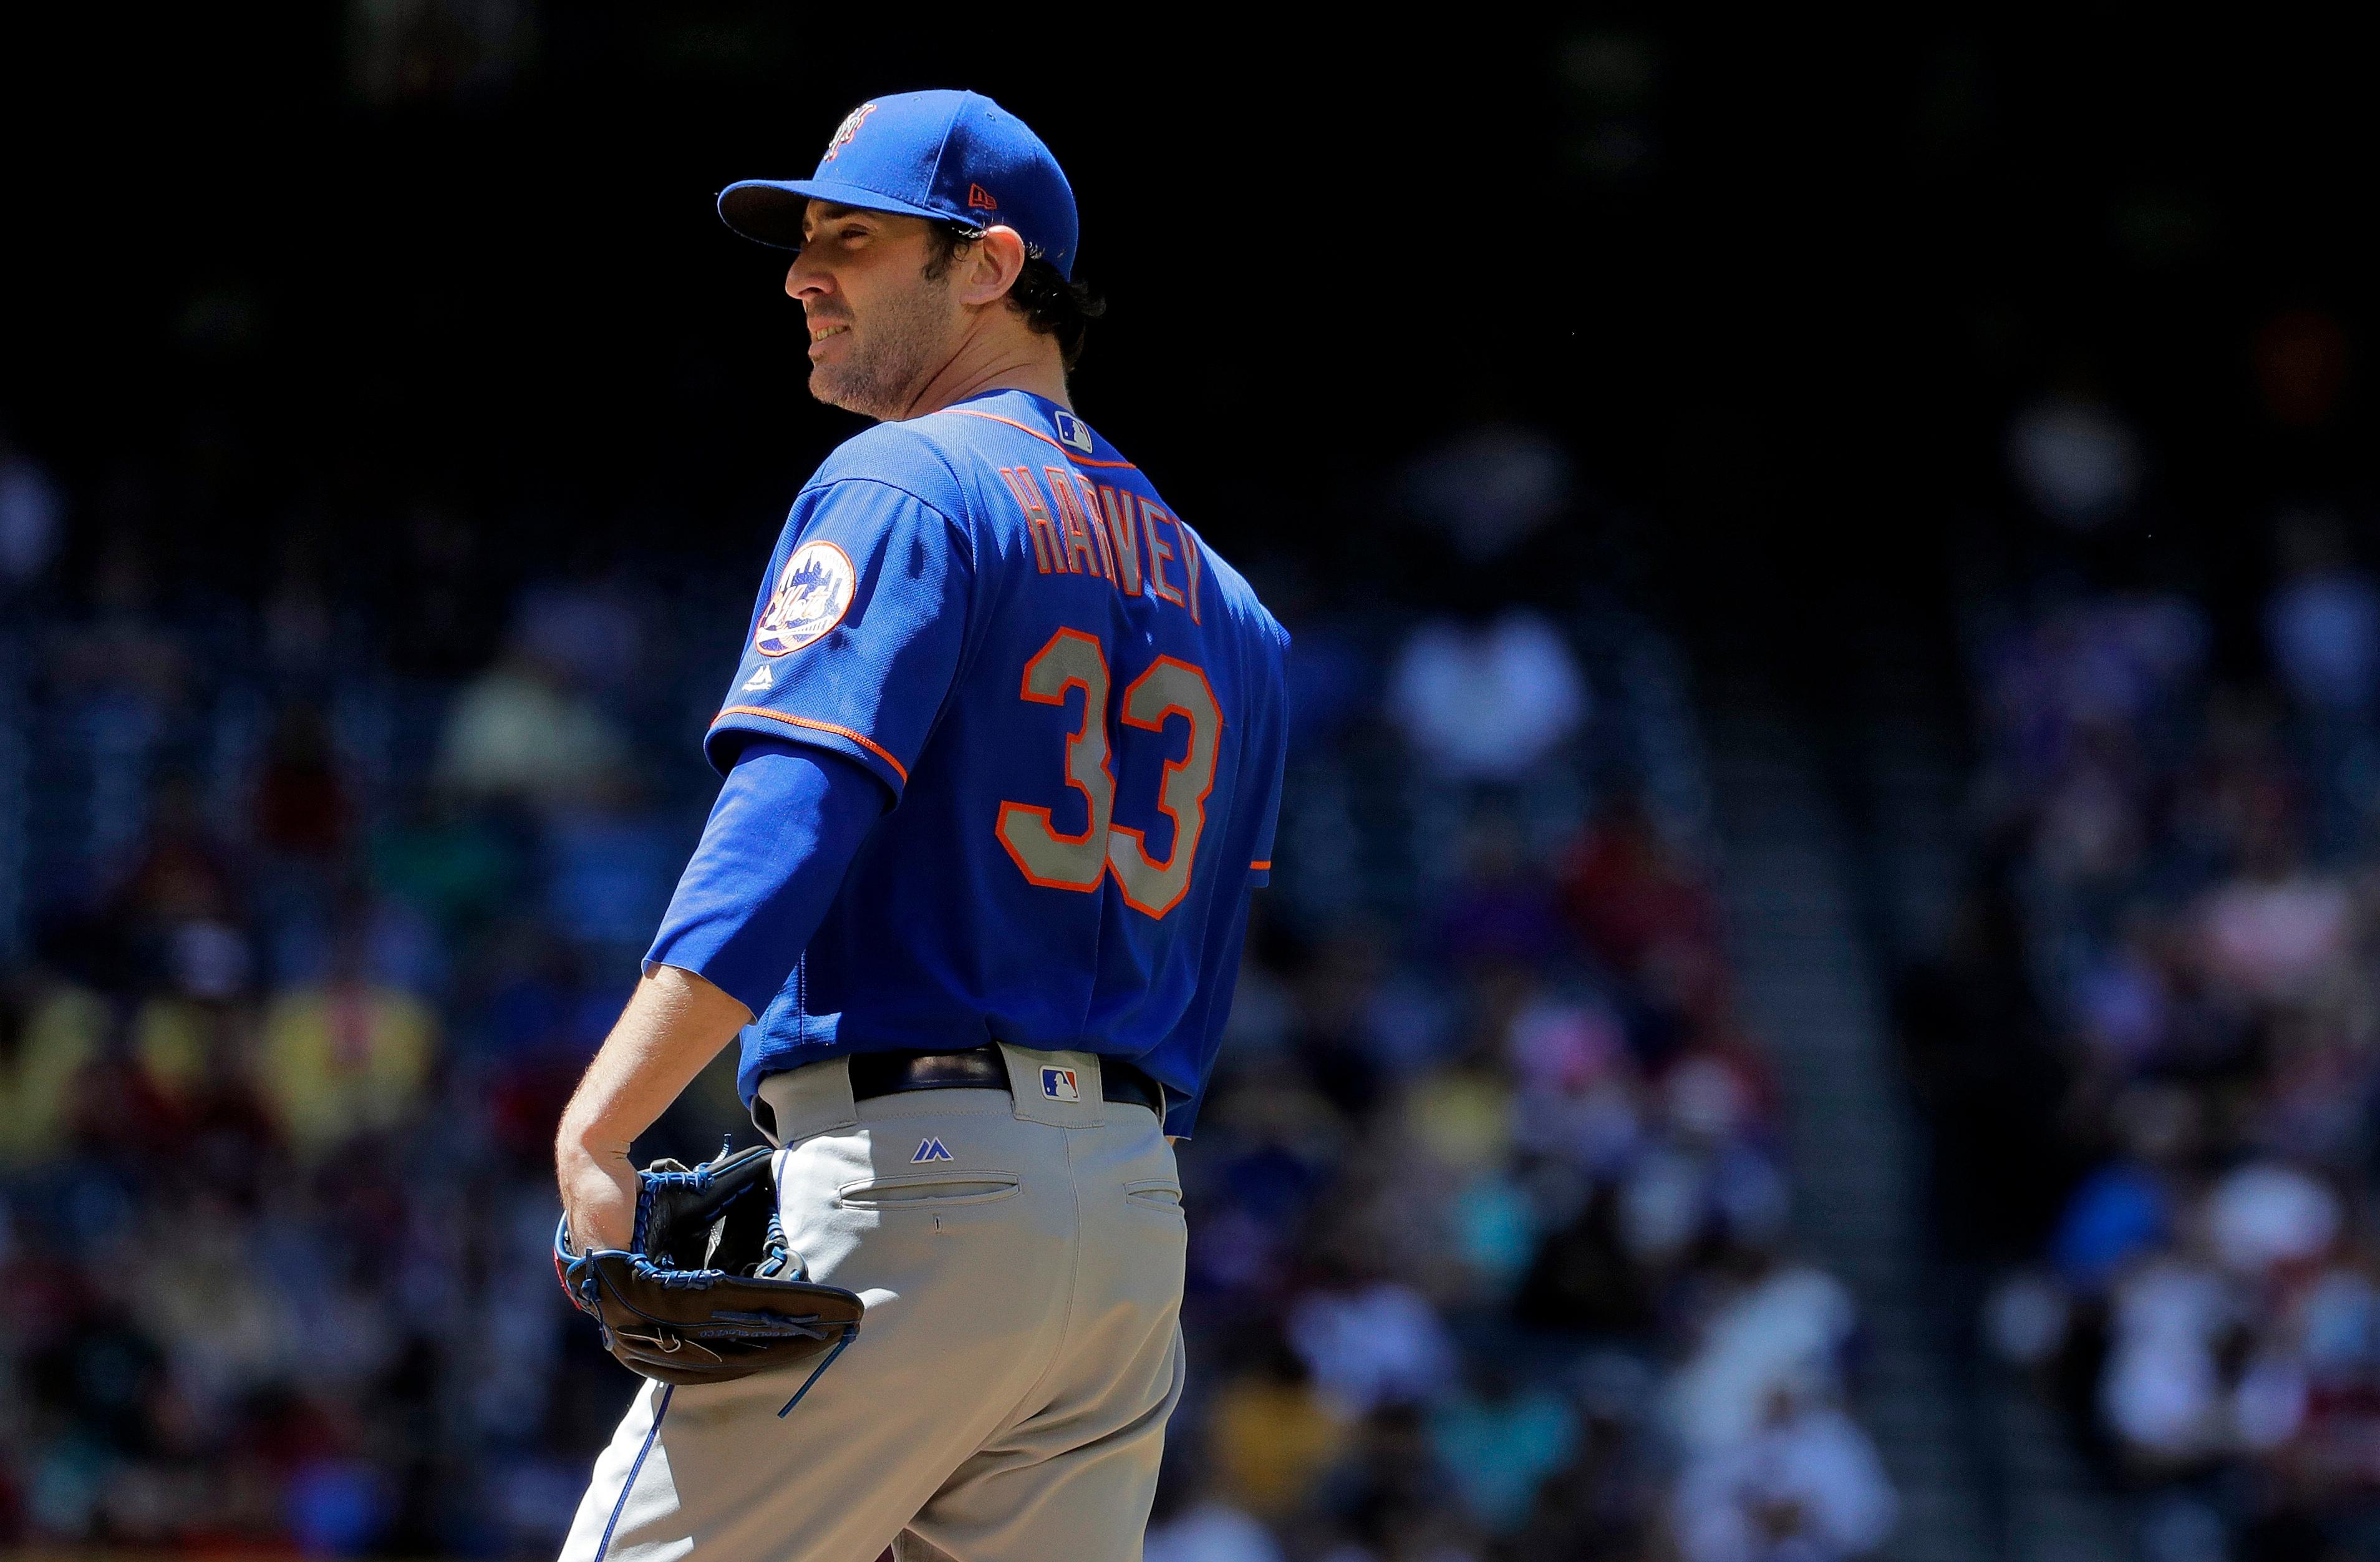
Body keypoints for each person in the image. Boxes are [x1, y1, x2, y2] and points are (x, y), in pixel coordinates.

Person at [553, 90, 1291, 1562]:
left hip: (922, 1182)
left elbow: (790, 815)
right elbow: (1213, 949)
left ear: (990, 267)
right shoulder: (1237, 608)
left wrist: (607, 1115)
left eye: (854, 239)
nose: (800, 274)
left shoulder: (909, 480)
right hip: (1131, 1227)